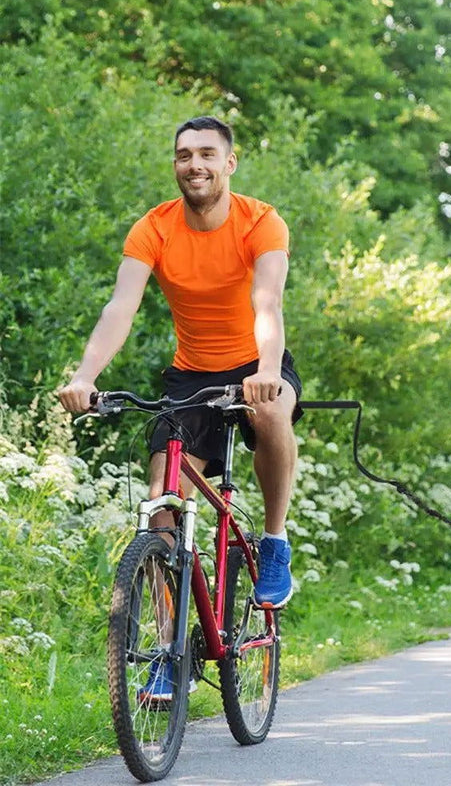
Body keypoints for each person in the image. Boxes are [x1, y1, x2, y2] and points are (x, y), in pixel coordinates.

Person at [59, 116, 301, 662]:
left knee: (270, 413)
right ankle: (169, 647)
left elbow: (268, 301)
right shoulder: (155, 227)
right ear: (176, 164)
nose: (195, 164)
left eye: (207, 154)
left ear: (229, 163)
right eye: (184, 155)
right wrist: (84, 377)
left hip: (257, 361)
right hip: (190, 374)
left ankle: (275, 540)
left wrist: (265, 370)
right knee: (161, 505)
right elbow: (120, 307)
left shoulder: (261, 221)